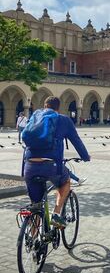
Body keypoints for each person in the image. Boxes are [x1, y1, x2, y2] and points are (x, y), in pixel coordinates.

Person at [23, 96, 90, 228]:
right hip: (51, 165)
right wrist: (85, 156)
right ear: (58, 108)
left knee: (35, 206)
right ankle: (56, 214)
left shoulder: (35, 117)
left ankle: (33, 240)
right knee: (65, 182)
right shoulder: (63, 120)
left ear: (44, 105)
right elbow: (76, 141)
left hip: (29, 165)